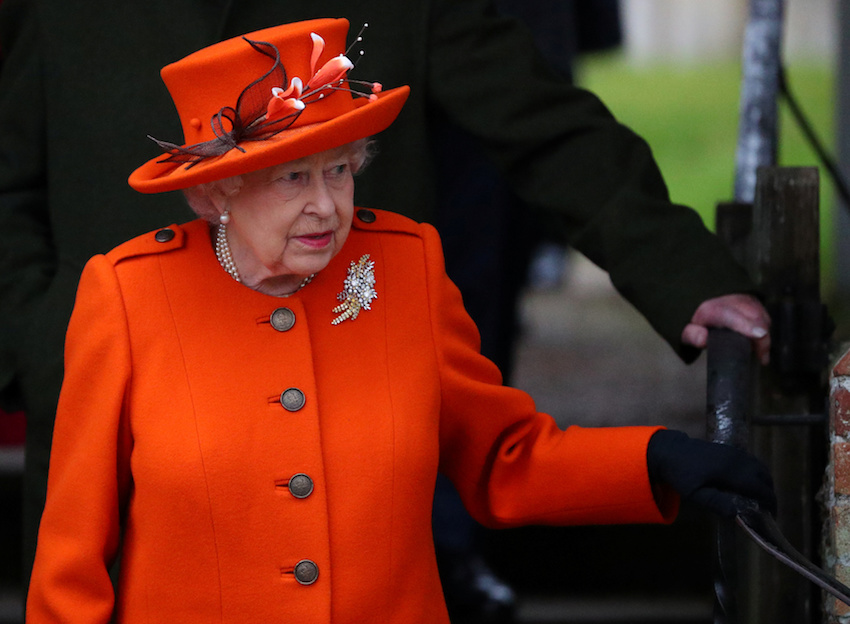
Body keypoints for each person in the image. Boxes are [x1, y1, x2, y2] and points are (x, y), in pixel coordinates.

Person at [0, 0, 770, 605]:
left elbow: (542, 121)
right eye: (296, 177)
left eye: (340, 172)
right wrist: (50, 341)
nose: (325, 204)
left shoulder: (406, 279)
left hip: (356, 346)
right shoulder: (112, 305)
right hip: (96, 371)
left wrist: (680, 291)